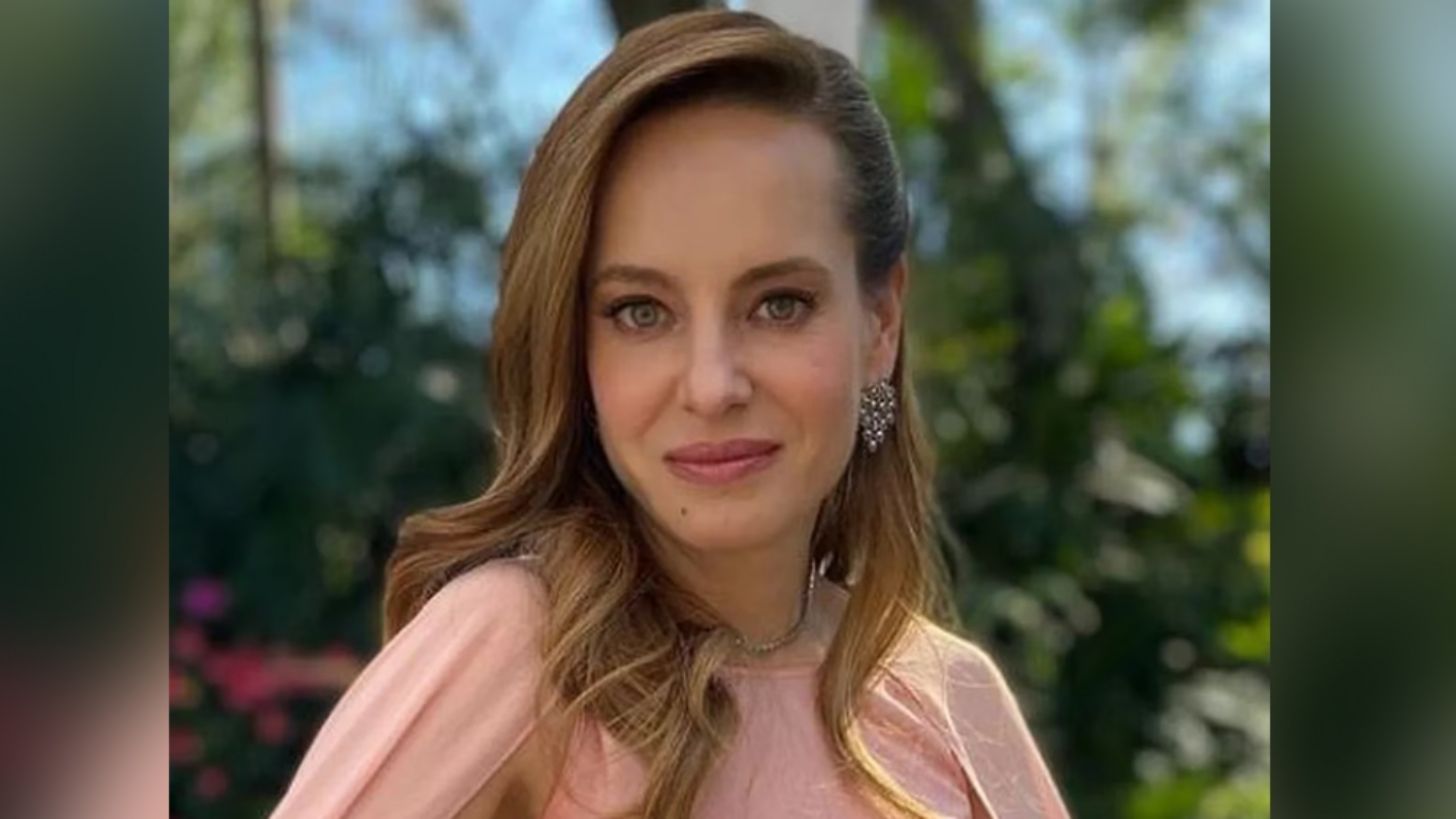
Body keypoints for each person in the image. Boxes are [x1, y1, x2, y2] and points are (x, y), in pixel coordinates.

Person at [270, 10, 1070, 819]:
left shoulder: (955, 701)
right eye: (641, 312)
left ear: (882, 323)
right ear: (574, 345)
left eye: (779, 304)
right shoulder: (515, 645)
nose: (712, 385)